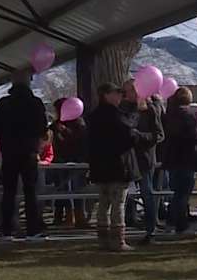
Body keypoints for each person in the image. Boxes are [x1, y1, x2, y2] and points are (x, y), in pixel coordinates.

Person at [0, 70, 49, 242]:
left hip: (9, 151)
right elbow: (42, 127)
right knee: (31, 191)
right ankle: (33, 229)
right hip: (29, 151)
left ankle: (7, 229)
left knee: (9, 191)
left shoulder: (3, 103)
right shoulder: (35, 103)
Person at [87, 83, 141, 252]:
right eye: (116, 93)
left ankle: (102, 239)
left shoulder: (93, 116)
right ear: (106, 95)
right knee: (118, 203)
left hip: (100, 166)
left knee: (103, 203)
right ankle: (118, 240)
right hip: (117, 165)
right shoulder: (116, 115)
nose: (120, 96)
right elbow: (129, 133)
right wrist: (135, 110)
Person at [121, 80, 165, 244]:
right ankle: (126, 224)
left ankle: (150, 230)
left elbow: (159, 135)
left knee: (147, 193)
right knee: (126, 195)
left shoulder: (149, 110)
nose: (128, 95)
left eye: (130, 91)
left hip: (144, 159)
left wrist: (139, 135)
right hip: (127, 158)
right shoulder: (123, 109)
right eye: (126, 92)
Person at [161, 87, 197, 235]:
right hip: (186, 158)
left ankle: (172, 220)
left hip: (171, 158)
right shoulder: (187, 117)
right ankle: (180, 223)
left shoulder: (168, 115)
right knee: (183, 193)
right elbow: (194, 136)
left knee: (177, 192)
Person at [51, 98, 90, 227]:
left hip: (77, 161)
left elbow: (79, 140)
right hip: (61, 161)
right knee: (63, 189)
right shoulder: (56, 125)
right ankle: (64, 215)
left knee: (77, 189)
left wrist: (65, 131)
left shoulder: (79, 124)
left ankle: (79, 215)